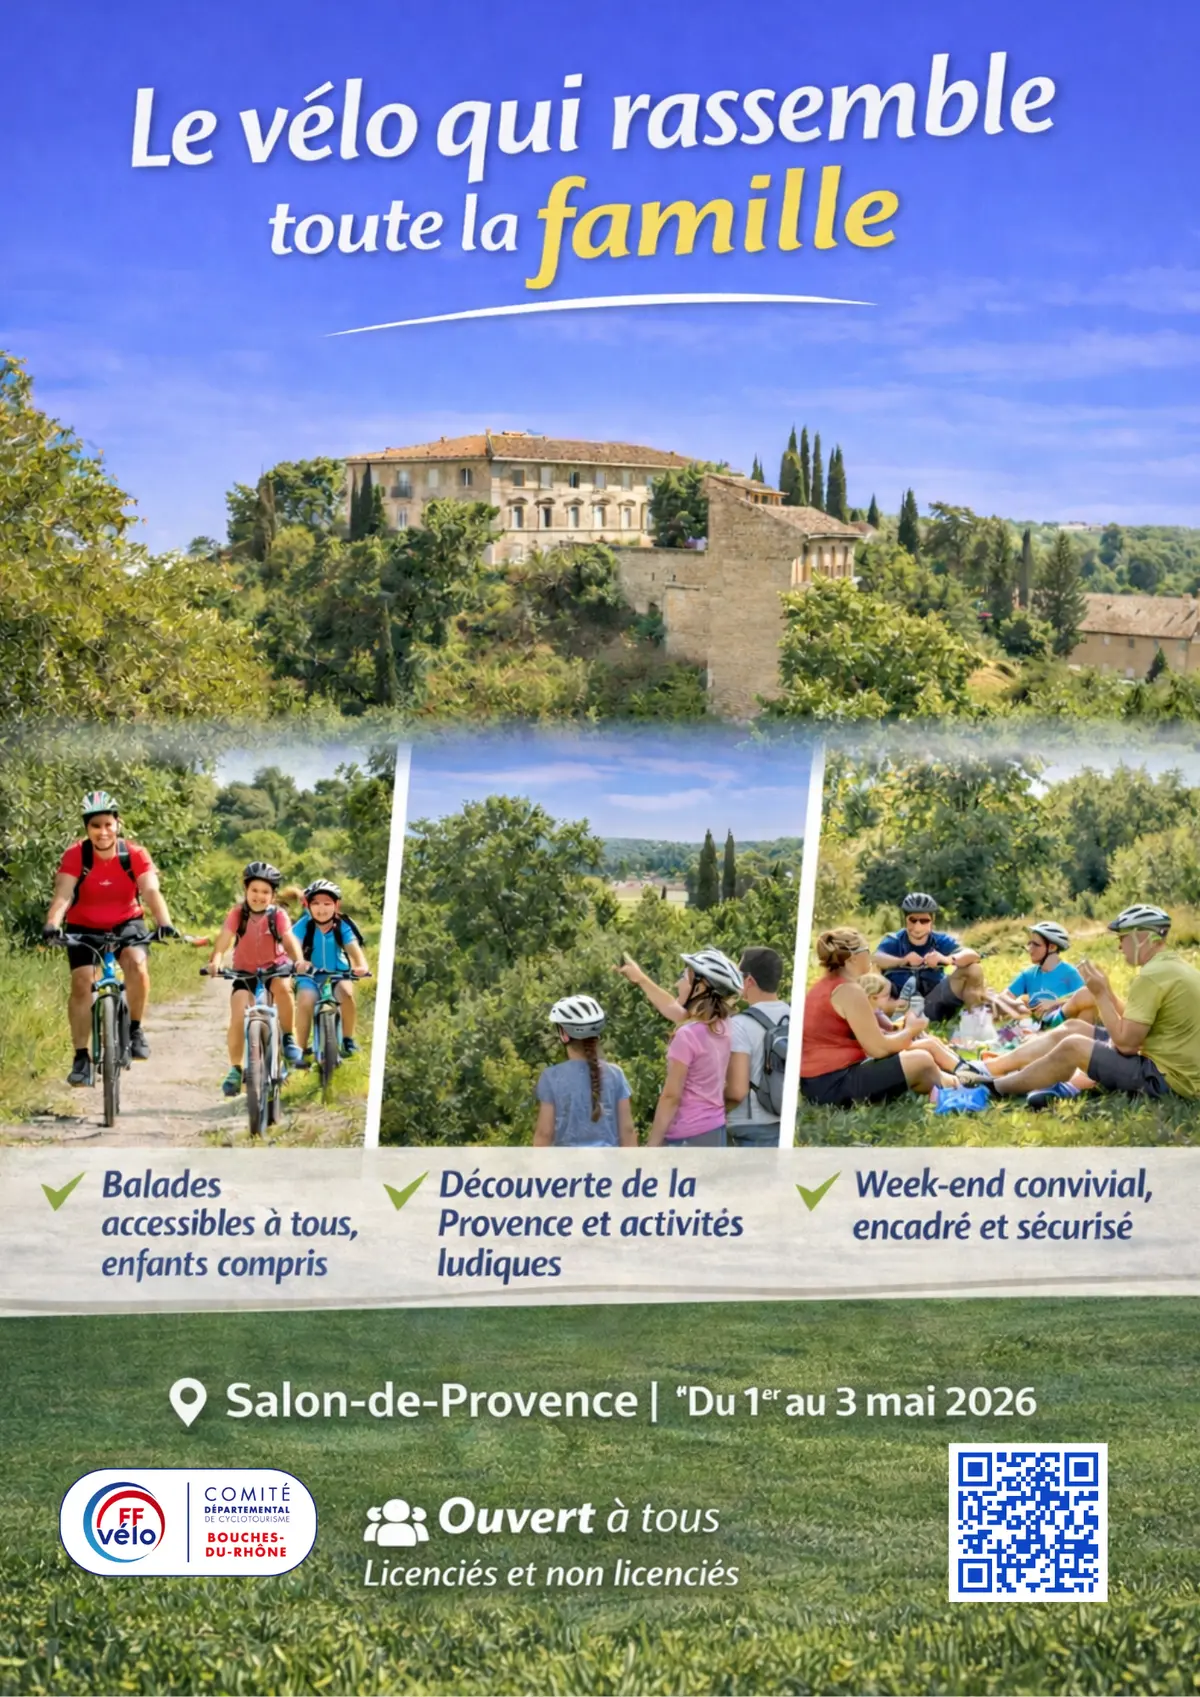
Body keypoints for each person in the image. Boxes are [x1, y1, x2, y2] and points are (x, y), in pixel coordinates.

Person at [958, 905, 1200, 1108]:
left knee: (1074, 1046)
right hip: (1173, 1068)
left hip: (1168, 1081)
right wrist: (1104, 991)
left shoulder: (1151, 976)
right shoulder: (1174, 966)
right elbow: (1139, 1024)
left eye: (1123, 938)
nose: (1119, 946)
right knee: (1074, 1027)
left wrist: (1101, 995)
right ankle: (992, 1067)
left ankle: (995, 1087)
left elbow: (1127, 1044)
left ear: (1142, 938)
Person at [43, 790, 179, 1087]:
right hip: (83, 925)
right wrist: (53, 924)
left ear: (118, 823)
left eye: (108, 824)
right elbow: (63, 894)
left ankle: (134, 1029)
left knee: (137, 965)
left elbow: (151, 890)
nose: (102, 831)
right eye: (95, 826)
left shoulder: (134, 854)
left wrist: (164, 922)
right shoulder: (76, 854)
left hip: (126, 923)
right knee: (81, 983)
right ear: (87, 828)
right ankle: (81, 1057)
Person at [801, 928, 951, 1108]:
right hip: (833, 1085)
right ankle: (962, 1085)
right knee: (921, 1060)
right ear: (853, 958)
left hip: (818, 1083)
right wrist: (911, 1030)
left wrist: (902, 1032)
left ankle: (963, 1080)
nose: (870, 957)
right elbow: (879, 1049)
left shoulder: (826, 986)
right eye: (867, 951)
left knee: (920, 1056)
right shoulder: (848, 990)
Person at [617, 948, 743, 1148]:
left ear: (700, 988)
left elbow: (671, 1097)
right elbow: (671, 1008)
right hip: (714, 1131)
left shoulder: (688, 1035)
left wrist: (652, 1146)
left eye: (683, 977)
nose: (677, 983)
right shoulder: (724, 1026)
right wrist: (640, 978)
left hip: (686, 1136)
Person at [205, 862, 306, 1097]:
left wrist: (298, 960)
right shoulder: (237, 913)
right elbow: (225, 938)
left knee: (283, 987)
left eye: (265, 892)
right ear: (246, 890)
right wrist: (217, 959)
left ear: (272, 895)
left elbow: (289, 939)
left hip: (275, 968)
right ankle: (235, 1068)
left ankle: (288, 1038)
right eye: (254, 891)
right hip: (245, 972)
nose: (259, 896)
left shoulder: (278, 915)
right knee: (238, 1012)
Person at [533, 995, 636, 1149]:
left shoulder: (551, 1077)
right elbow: (627, 1130)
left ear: (563, 1034)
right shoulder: (616, 1074)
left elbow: (544, 1133)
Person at [291, 880, 370, 1065]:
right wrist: (297, 963)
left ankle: (348, 1040)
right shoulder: (304, 925)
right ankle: (300, 1051)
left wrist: (361, 965)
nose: (321, 909)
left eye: (327, 904)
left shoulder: (342, 925)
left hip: (338, 974)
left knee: (347, 994)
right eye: (316, 904)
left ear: (336, 905)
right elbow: (291, 947)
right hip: (309, 976)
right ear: (308, 906)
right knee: (305, 1001)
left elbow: (353, 948)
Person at [874, 892, 984, 1021]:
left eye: (924, 921)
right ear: (905, 919)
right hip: (900, 1004)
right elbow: (875, 958)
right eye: (913, 920)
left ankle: (975, 1020)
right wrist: (903, 961)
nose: (918, 926)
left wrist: (946, 959)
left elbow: (973, 955)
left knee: (974, 969)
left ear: (932, 920)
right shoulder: (894, 940)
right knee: (872, 976)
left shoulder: (941, 940)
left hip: (934, 1001)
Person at [724, 946, 790, 1148]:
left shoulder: (739, 1024)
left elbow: (737, 1091)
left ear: (749, 980)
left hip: (750, 1127)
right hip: (785, 1122)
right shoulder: (793, 1015)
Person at [859, 972, 967, 1077]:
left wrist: (907, 1023)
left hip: (890, 1044)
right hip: (882, 1054)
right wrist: (908, 1030)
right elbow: (883, 1039)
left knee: (931, 1039)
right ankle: (963, 1072)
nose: (891, 999)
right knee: (929, 1045)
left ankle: (961, 1063)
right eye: (887, 996)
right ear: (873, 998)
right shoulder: (864, 1017)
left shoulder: (876, 1011)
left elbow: (891, 1027)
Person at [989, 923, 1086, 1024]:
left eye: (1036, 944)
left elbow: (1085, 1000)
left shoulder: (1070, 973)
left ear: (1052, 947)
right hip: (1032, 1029)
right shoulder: (1028, 974)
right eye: (1029, 943)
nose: (1030, 948)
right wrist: (1018, 1005)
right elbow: (1006, 996)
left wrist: (1055, 1003)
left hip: (1062, 1030)